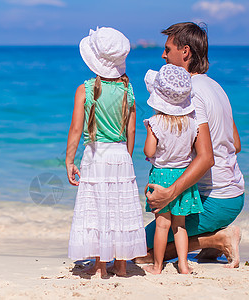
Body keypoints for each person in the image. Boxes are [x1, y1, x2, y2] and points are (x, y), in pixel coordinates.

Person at [137, 22, 245, 268]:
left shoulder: (190, 94)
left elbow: (207, 157)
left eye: (167, 49)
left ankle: (218, 239)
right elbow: (235, 144)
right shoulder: (216, 87)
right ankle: (209, 241)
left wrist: (169, 193)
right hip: (234, 195)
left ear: (185, 52)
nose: (163, 55)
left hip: (213, 199)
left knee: (136, 251)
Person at [66, 27, 147, 277]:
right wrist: (127, 156)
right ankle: (121, 265)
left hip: (95, 154)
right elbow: (131, 131)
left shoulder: (86, 89)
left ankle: (101, 265)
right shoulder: (128, 90)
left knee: (99, 206)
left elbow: (77, 128)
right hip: (120, 153)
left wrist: (69, 160)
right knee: (119, 209)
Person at [142, 64, 203, 274]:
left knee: (162, 225)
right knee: (180, 225)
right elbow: (195, 150)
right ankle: (184, 265)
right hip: (183, 177)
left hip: (161, 176)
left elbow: (149, 151)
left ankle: (158, 266)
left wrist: (148, 137)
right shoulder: (192, 122)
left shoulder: (155, 122)